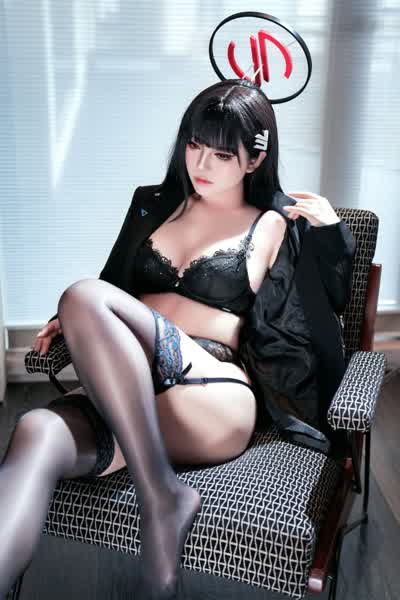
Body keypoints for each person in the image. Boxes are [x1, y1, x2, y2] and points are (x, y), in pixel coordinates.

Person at [0, 79, 356, 599]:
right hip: (132, 390)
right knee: (36, 432)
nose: (201, 164)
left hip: (209, 393)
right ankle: (162, 496)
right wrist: (71, 320)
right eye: (194, 144)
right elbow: (113, 284)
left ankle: (158, 497)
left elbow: (325, 308)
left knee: (82, 295)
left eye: (221, 154)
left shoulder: (274, 223)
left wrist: (329, 233)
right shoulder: (152, 204)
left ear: (254, 160)